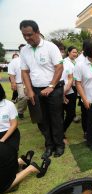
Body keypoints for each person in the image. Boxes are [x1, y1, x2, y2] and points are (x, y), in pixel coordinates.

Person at [19, 20, 65, 158]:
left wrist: (51, 86)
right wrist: (30, 90)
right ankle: (49, 145)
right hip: (36, 90)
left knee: (56, 118)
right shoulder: (24, 50)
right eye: (24, 35)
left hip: (54, 89)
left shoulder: (50, 47)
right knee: (41, 119)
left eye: (30, 34)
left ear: (37, 32)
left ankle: (59, 145)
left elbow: (59, 67)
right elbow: (24, 71)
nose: (27, 38)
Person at [62, 46, 78, 141]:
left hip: (74, 89)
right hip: (64, 89)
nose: (75, 54)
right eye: (73, 52)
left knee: (71, 113)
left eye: (76, 52)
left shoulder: (77, 62)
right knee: (61, 113)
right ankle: (61, 133)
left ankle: (62, 130)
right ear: (68, 52)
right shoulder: (64, 62)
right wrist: (64, 92)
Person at [7, 44, 27, 119]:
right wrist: (13, 83)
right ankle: (20, 112)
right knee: (23, 97)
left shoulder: (32, 58)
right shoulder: (15, 61)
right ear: (20, 51)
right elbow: (11, 73)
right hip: (20, 83)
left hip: (33, 82)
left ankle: (34, 113)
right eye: (22, 49)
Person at [0, 84, 20, 152]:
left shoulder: (9, 105)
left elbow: (14, 124)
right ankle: (22, 160)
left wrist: (2, 140)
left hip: (9, 134)